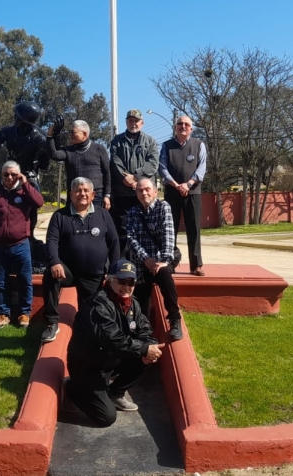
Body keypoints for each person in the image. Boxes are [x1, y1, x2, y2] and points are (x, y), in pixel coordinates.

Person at [64, 259, 165, 427]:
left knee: (148, 355)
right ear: (109, 279)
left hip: (111, 359)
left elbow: (145, 331)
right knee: (106, 419)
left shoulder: (133, 303)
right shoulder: (98, 305)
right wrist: (144, 348)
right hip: (88, 366)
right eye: (122, 281)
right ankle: (71, 389)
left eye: (131, 281)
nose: (127, 286)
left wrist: (149, 347)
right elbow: (113, 339)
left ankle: (115, 394)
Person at [42, 177, 119, 343]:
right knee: (50, 274)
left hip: (94, 275)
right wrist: (55, 262)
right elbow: (51, 241)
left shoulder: (103, 215)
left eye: (85, 191)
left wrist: (113, 270)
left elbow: (114, 243)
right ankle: (52, 323)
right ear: (71, 194)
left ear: (93, 195)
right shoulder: (59, 216)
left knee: (91, 320)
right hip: (67, 272)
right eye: (77, 190)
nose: (81, 194)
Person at [0, 161, 45, 329]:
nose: (9, 177)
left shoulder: (25, 191)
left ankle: (25, 314)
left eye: (13, 174)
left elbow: (39, 202)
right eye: (6, 174)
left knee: (25, 280)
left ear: (20, 174)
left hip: (21, 244)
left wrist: (25, 183)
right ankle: (3, 314)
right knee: (0, 282)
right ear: (1, 175)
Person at [125, 178, 183, 341]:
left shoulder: (163, 207)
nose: (144, 193)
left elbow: (168, 235)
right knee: (142, 296)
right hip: (143, 263)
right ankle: (144, 333)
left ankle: (174, 318)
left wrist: (163, 261)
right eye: (140, 190)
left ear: (155, 191)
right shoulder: (133, 213)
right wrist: (147, 260)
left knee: (164, 275)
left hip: (163, 259)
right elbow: (131, 239)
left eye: (147, 189)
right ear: (136, 193)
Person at [0, 101, 51, 238]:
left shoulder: (40, 137)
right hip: (11, 173)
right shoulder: (7, 132)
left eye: (17, 115)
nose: (14, 117)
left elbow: (45, 163)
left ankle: (29, 235)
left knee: (33, 203)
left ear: (21, 118)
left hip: (29, 175)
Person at [159, 115, 208, 276]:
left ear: (191, 129)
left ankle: (196, 265)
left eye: (186, 124)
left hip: (193, 193)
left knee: (193, 229)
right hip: (172, 193)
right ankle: (170, 263)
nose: (183, 126)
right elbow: (163, 169)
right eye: (180, 123)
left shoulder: (199, 145)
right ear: (175, 127)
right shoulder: (166, 146)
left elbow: (201, 168)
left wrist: (188, 184)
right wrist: (176, 185)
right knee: (169, 229)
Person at [109, 109, 159, 251]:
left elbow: (153, 164)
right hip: (122, 194)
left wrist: (136, 177)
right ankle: (123, 263)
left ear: (142, 123)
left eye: (136, 121)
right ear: (126, 122)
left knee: (146, 227)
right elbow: (114, 162)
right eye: (130, 120)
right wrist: (127, 179)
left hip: (144, 195)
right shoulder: (116, 141)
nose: (133, 123)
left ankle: (146, 261)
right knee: (123, 229)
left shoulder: (150, 141)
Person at [47, 117, 111, 209]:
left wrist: (107, 195)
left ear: (84, 134)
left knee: (95, 223)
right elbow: (54, 154)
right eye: (69, 132)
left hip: (95, 196)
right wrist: (51, 135)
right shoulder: (69, 150)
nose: (70, 135)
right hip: (74, 195)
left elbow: (107, 173)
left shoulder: (99, 149)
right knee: (72, 222)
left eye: (73, 132)